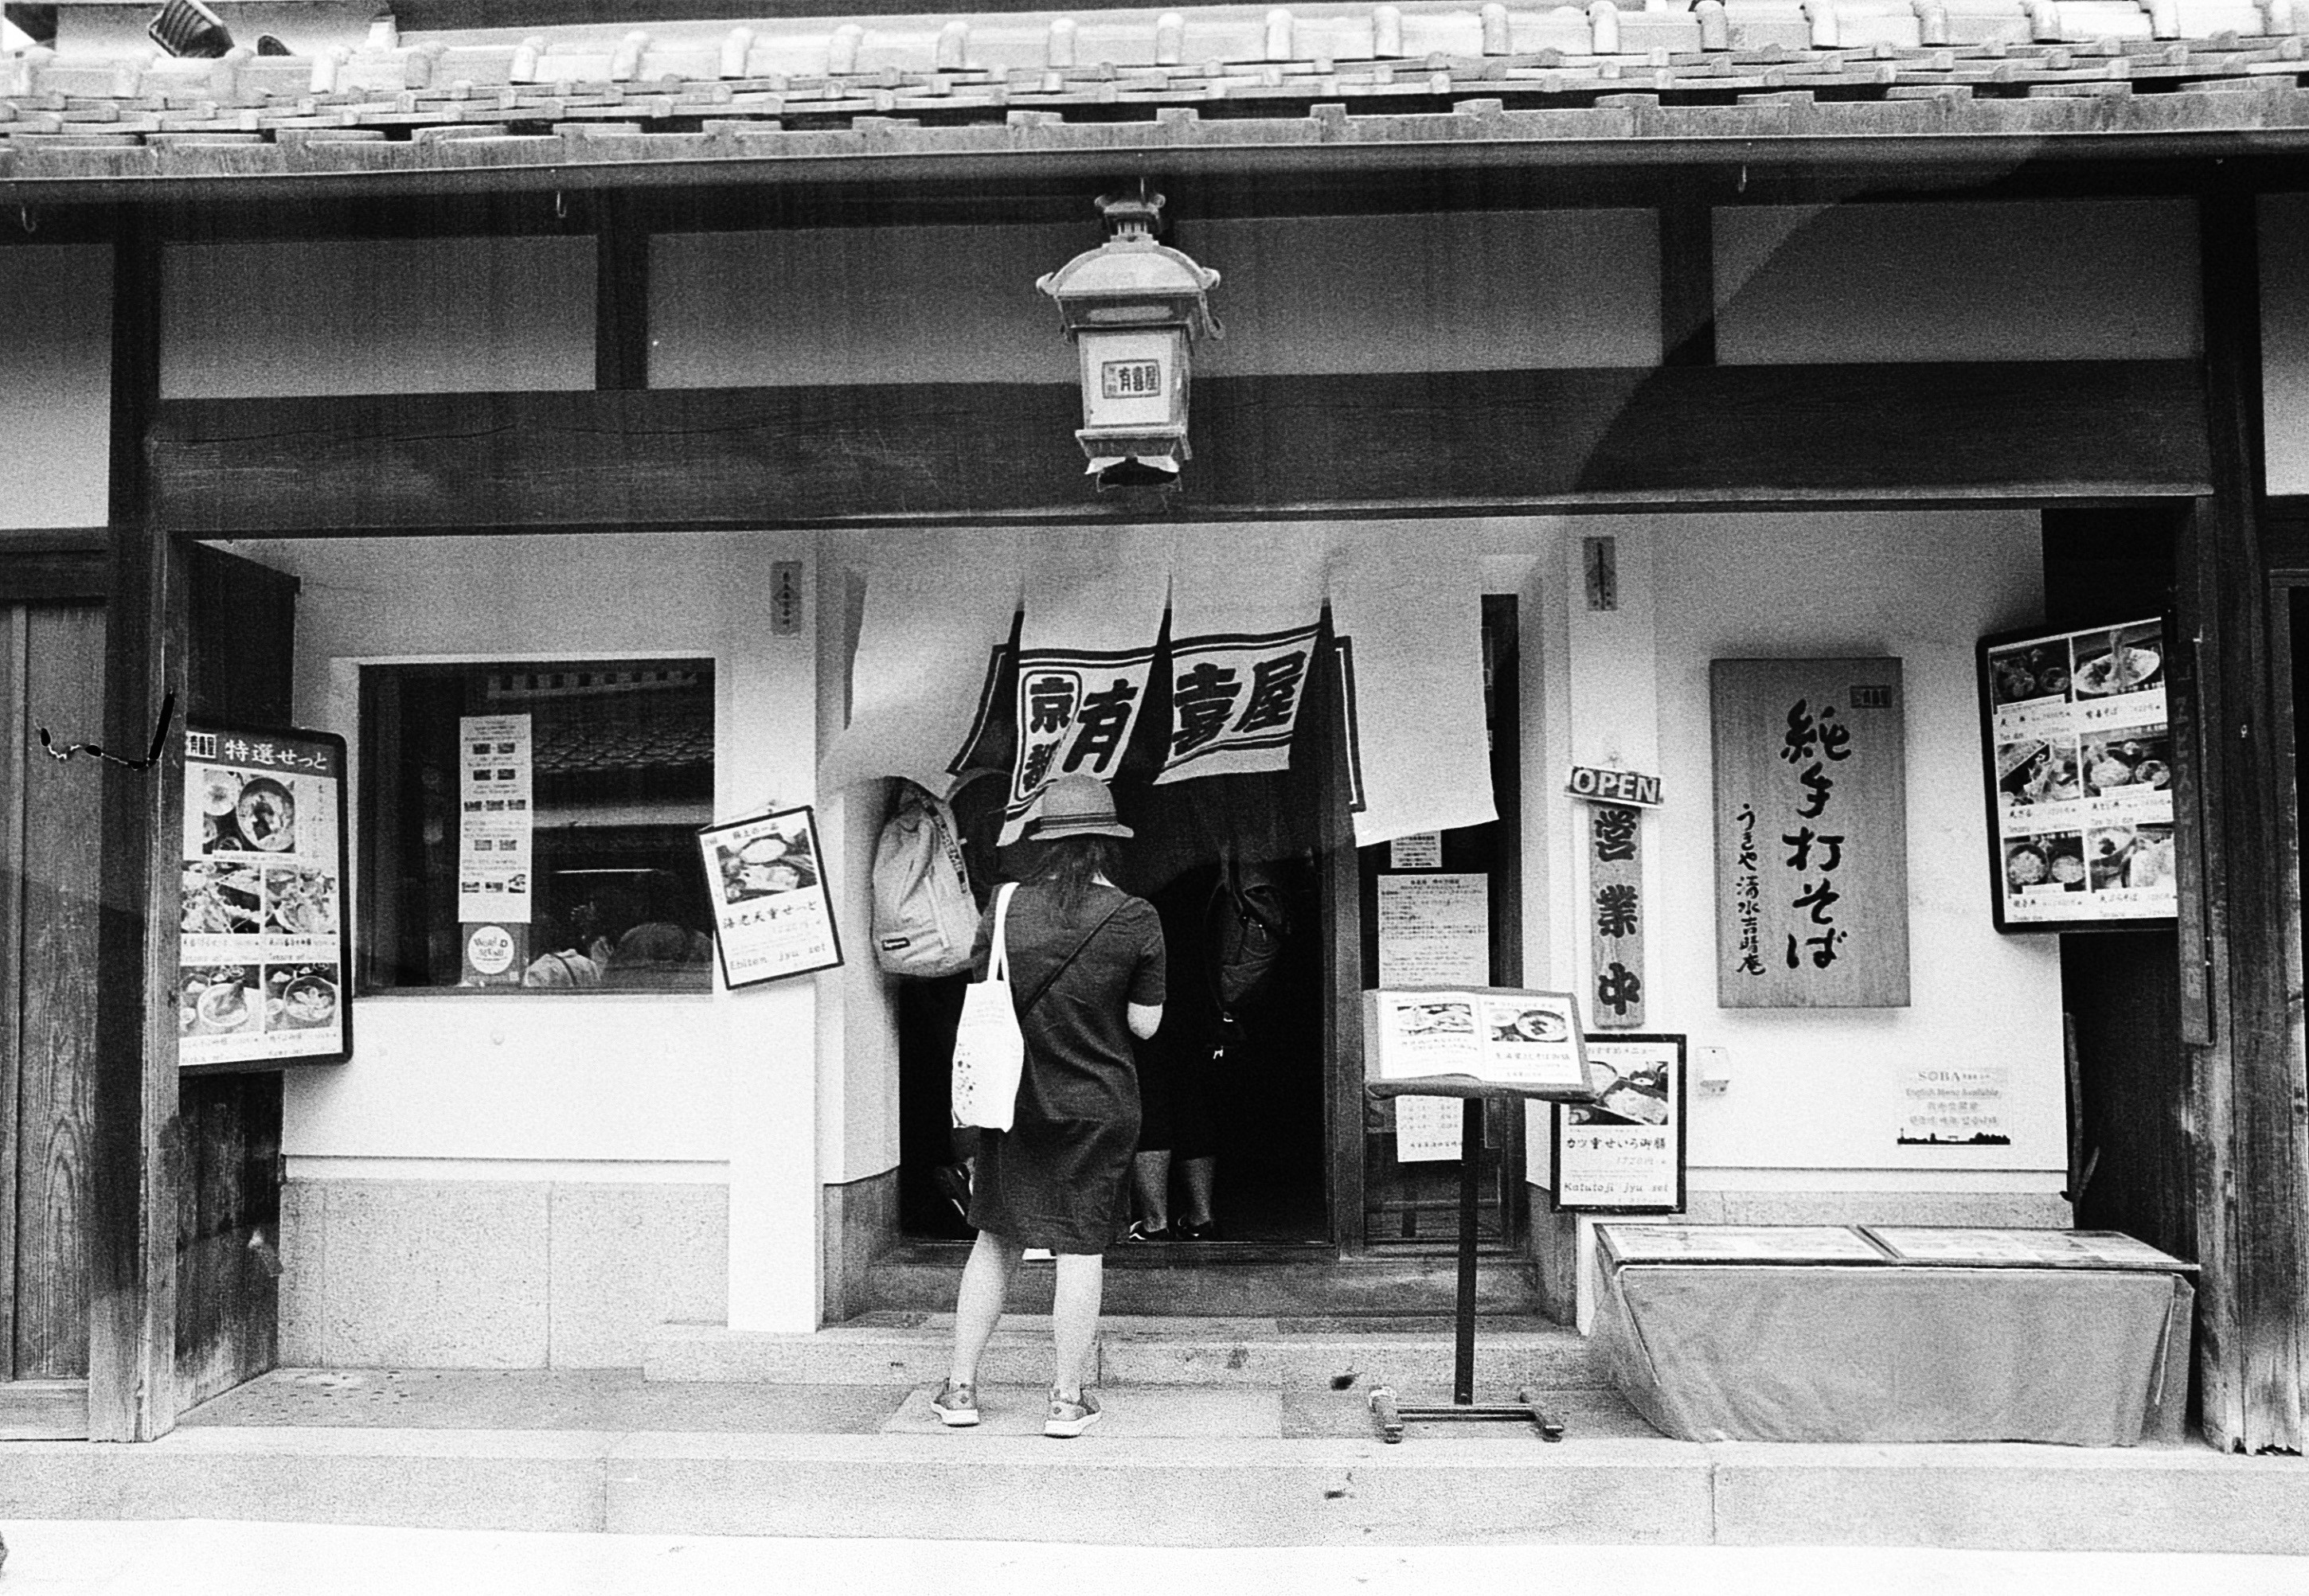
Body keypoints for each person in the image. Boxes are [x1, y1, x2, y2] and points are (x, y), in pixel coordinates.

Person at [931, 774, 1165, 1440]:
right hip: (1099, 1103)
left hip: (1014, 1098)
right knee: (1081, 1245)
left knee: (996, 1236)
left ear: (1045, 842)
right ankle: (1066, 1399)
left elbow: (984, 991)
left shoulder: (1004, 906)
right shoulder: (1134, 916)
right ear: (1108, 844)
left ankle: (959, 1390)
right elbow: (1146, 1025)